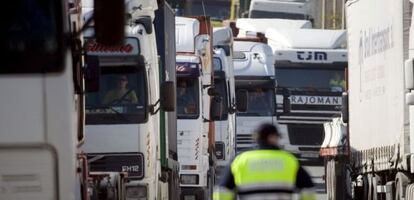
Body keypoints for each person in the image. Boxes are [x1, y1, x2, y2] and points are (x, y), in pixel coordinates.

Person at [213, 123, 316, 200]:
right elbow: (308, 190)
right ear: (272, 137)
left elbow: (223, 191)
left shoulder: (240, 160)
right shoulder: (288, 160)